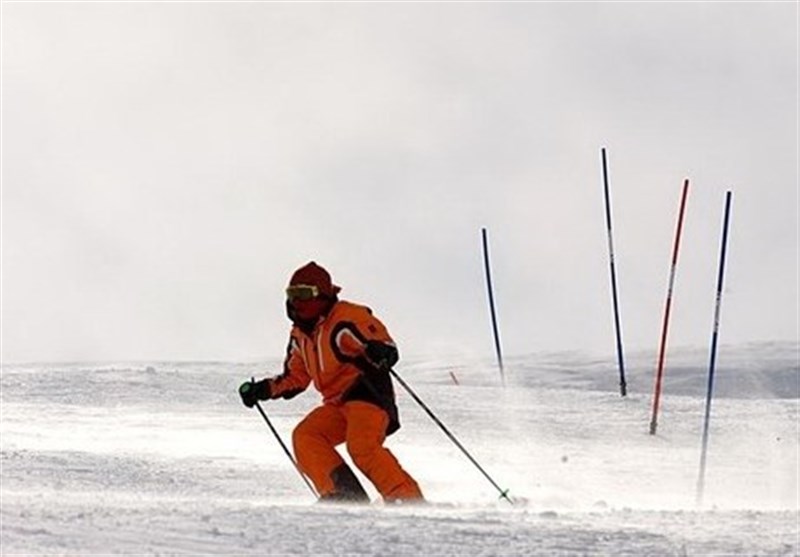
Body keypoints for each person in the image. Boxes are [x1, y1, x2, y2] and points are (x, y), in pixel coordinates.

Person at [239, 261, 424, 503]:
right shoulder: (300, 335)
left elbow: (380, 340)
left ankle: (406, 498)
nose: (297, 301)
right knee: (306, 436)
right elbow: (296, 377)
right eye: (292, 294)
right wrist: (262, 389)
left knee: (362, 447)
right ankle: (343, 494)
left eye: (304, 293)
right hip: (336, 404)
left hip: (366, 394)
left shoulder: (345, 318)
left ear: (323, 295)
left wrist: (382, 351)